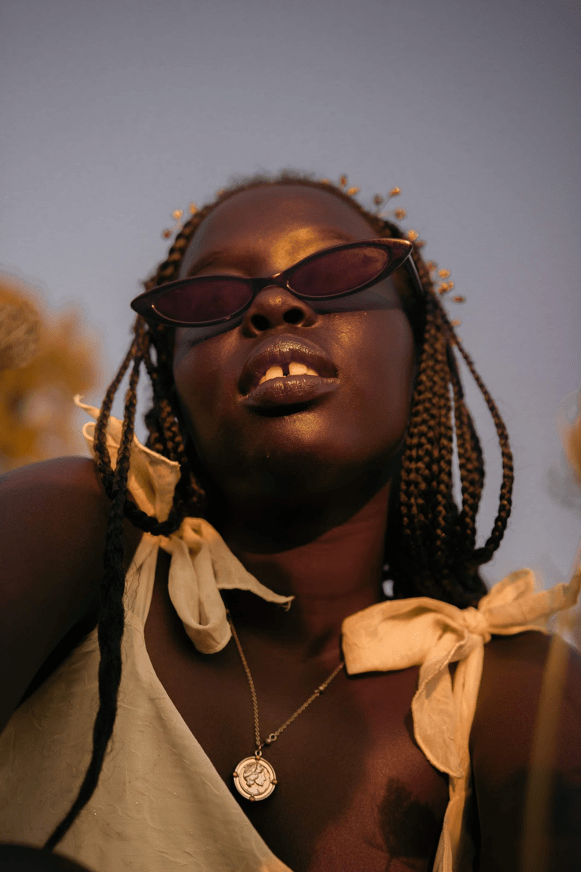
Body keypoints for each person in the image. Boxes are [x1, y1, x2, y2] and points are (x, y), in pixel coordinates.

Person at [1, 172, 580, 872]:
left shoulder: (510, 689)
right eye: (211, 298)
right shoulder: (82, 528)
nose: (274, 302)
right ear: (171, 376)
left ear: (419, 347)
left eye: (337, 273)